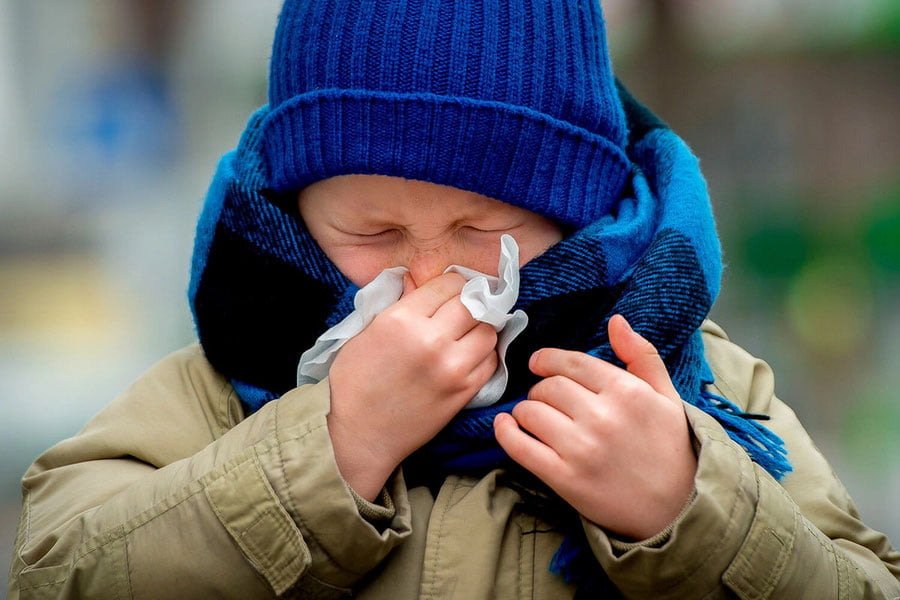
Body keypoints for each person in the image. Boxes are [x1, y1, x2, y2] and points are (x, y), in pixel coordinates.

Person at [8, 1, 900, 598]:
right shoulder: (223, 382)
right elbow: (54, 573)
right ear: (292, 211)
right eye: (373, 234)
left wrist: (688, 504)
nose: (434, 280)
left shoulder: (684, 382)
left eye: (485, 232)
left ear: (578, 213)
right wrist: (329, 446)